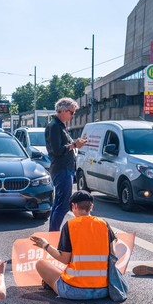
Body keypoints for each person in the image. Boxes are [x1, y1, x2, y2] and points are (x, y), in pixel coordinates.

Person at [29, 191, 115, 299]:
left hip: (74, 290)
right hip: (103, 290)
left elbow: (64, 259)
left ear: (74, 206)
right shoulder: (104, 224)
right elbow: (113, 254)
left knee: (40, 264)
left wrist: (46, 246)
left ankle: (52, 284)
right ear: (91, 206)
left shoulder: (70, 225)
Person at [45, 97, 87, 232]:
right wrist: (75, 144)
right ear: (62, 110)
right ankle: (54, 233)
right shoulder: (55, 126)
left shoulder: (60, 126)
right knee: (62, 205)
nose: (73, 115)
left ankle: (53, 233)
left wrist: (75, 143)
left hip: (64, 168)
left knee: (59, 204)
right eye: (71, 112)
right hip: (61, 169)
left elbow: (62, 146)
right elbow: (57, 150)